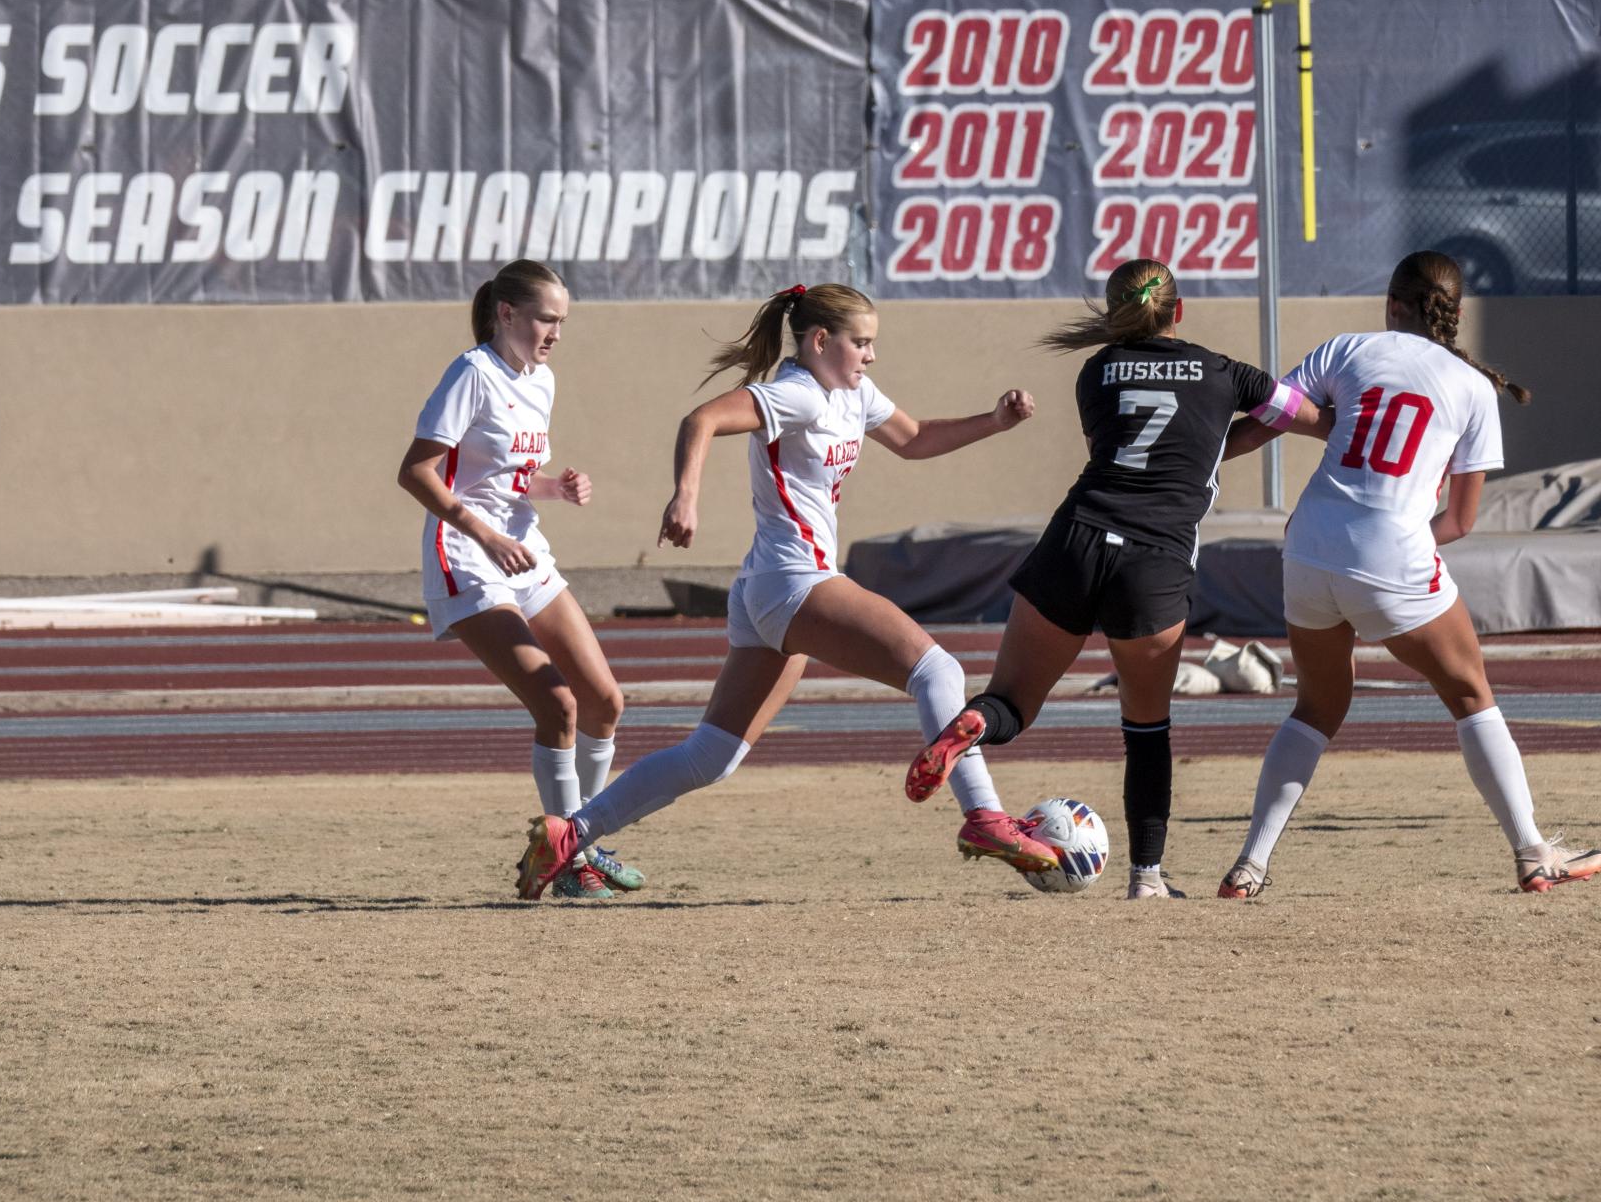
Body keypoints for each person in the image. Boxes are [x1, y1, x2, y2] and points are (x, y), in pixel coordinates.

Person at [514, 281, 1053, 899]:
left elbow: (914, 439)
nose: (871, 356)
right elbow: (703, 419)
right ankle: (984, 816)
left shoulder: (853, 391)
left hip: (769, 588)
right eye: (862, 343)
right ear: (821, 341)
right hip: (795, 580)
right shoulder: (799, 393)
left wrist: (994, 420)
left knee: (711, 755)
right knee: (938, 673)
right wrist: (685, 495)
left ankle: (568, 836)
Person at [906, 259, 1326, 899]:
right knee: (1147, 730)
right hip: (1153, 560)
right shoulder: (1224, 372)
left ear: (1112, 317)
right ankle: (1147, 878)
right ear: (1178, 311)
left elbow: (1147, 440)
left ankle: (974, 727)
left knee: (1012, 703)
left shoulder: (1094, 372)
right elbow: (1301, 416)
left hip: (1073, 539)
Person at [1216, 251, 1601, 898]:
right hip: (1391, 547)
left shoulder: (1346, 348)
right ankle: (1533, 853)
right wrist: (1389, 552)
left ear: (1392, 305)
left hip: (1307, 543)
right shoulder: (1474, 387)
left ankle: (1248, 865)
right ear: (1452, 315)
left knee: (1315, 706)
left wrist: (1181, 462)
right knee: (1470, 693)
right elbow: (1457, 520)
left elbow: (1262, 425)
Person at [397, 259, 640, 900]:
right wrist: (485, 534)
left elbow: (503, 475)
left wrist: (553, 487)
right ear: (507, 315)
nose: (556, 331)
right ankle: (569, 864)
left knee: (605, 702)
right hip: (470, 557)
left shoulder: (541, 379)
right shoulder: (470, 373)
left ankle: (581, 840)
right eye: (545, 319)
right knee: (557, 704)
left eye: (563, 320)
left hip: (524, 551)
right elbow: (417, 473)